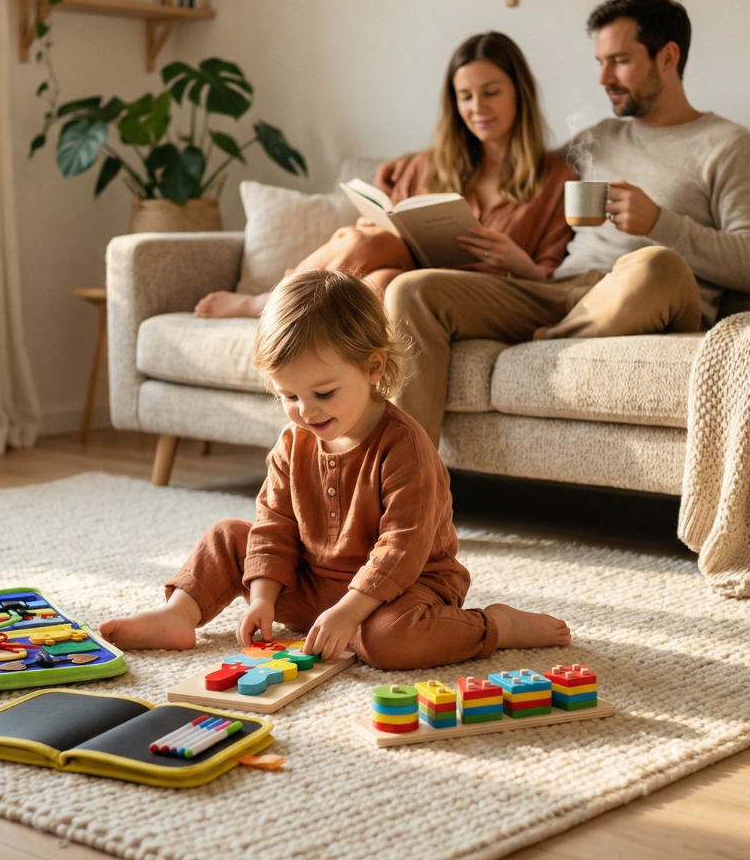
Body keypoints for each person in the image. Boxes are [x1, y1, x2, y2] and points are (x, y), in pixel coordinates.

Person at [101, 269, 571, 668]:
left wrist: (350, 612)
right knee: (228, 535)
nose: (306, 411)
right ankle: (179, 615)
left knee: (388, 640)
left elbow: (401, 550)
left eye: (323, 393)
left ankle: (495, 626)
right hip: (313, 585)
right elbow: (274, 525)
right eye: (289, 396)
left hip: (404, 589)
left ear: (372, 368)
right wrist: (263, 598)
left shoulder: (405, 446)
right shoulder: (293, 441)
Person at [380, 0, 750, 444]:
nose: (603, 77)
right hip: (558, 293)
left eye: (620, 61)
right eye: (600, 62)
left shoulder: (728, 145)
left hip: (645, 296)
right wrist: (418, 160)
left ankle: (541, 340)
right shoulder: (600, 138)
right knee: (413, 290)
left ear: (667, 57)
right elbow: (516, 156)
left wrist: (659, 224)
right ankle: (410, 486)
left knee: (656, 264)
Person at [192, 32, 577, 318]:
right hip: (415, 276)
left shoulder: (557, 179)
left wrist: (516, 259)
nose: (478, 107)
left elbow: (551, 283)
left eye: (491, 92)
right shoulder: (429, 164)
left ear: (519, 92)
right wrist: (379, 223)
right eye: (465, 96)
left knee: (386, 282)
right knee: (368, 249)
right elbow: (389, 225)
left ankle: (275, 304)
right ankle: (281, 307)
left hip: (481, 293)